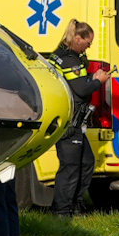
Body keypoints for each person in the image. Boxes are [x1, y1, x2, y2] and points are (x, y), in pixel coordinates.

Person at [46, 18, 108, 220]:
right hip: (70, 123)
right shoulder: (71, 60)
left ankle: (75, 205)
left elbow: (75, 83)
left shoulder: (60, 54)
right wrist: (98, 81)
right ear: (78, 38)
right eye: (88, 43)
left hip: (72, 122)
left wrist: (91, 78)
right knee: (70, 168)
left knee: (87, 162)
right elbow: (81, 90)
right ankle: (62, 212)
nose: (88, 47)